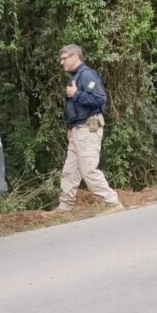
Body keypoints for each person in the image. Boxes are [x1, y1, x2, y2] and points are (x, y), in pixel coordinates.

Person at [53, 44, 124, 214]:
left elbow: (100, 99)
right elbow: (74, 108)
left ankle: (113, 202)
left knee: (88, 169)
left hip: (90, 126)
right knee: (70, 170)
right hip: (78, 128)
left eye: (64, 58)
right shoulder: (75, 76)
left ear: (75, 56)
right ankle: (65, 207)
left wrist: (76, 94)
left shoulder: (87, 75)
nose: (61, 62)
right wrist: (70, 127)